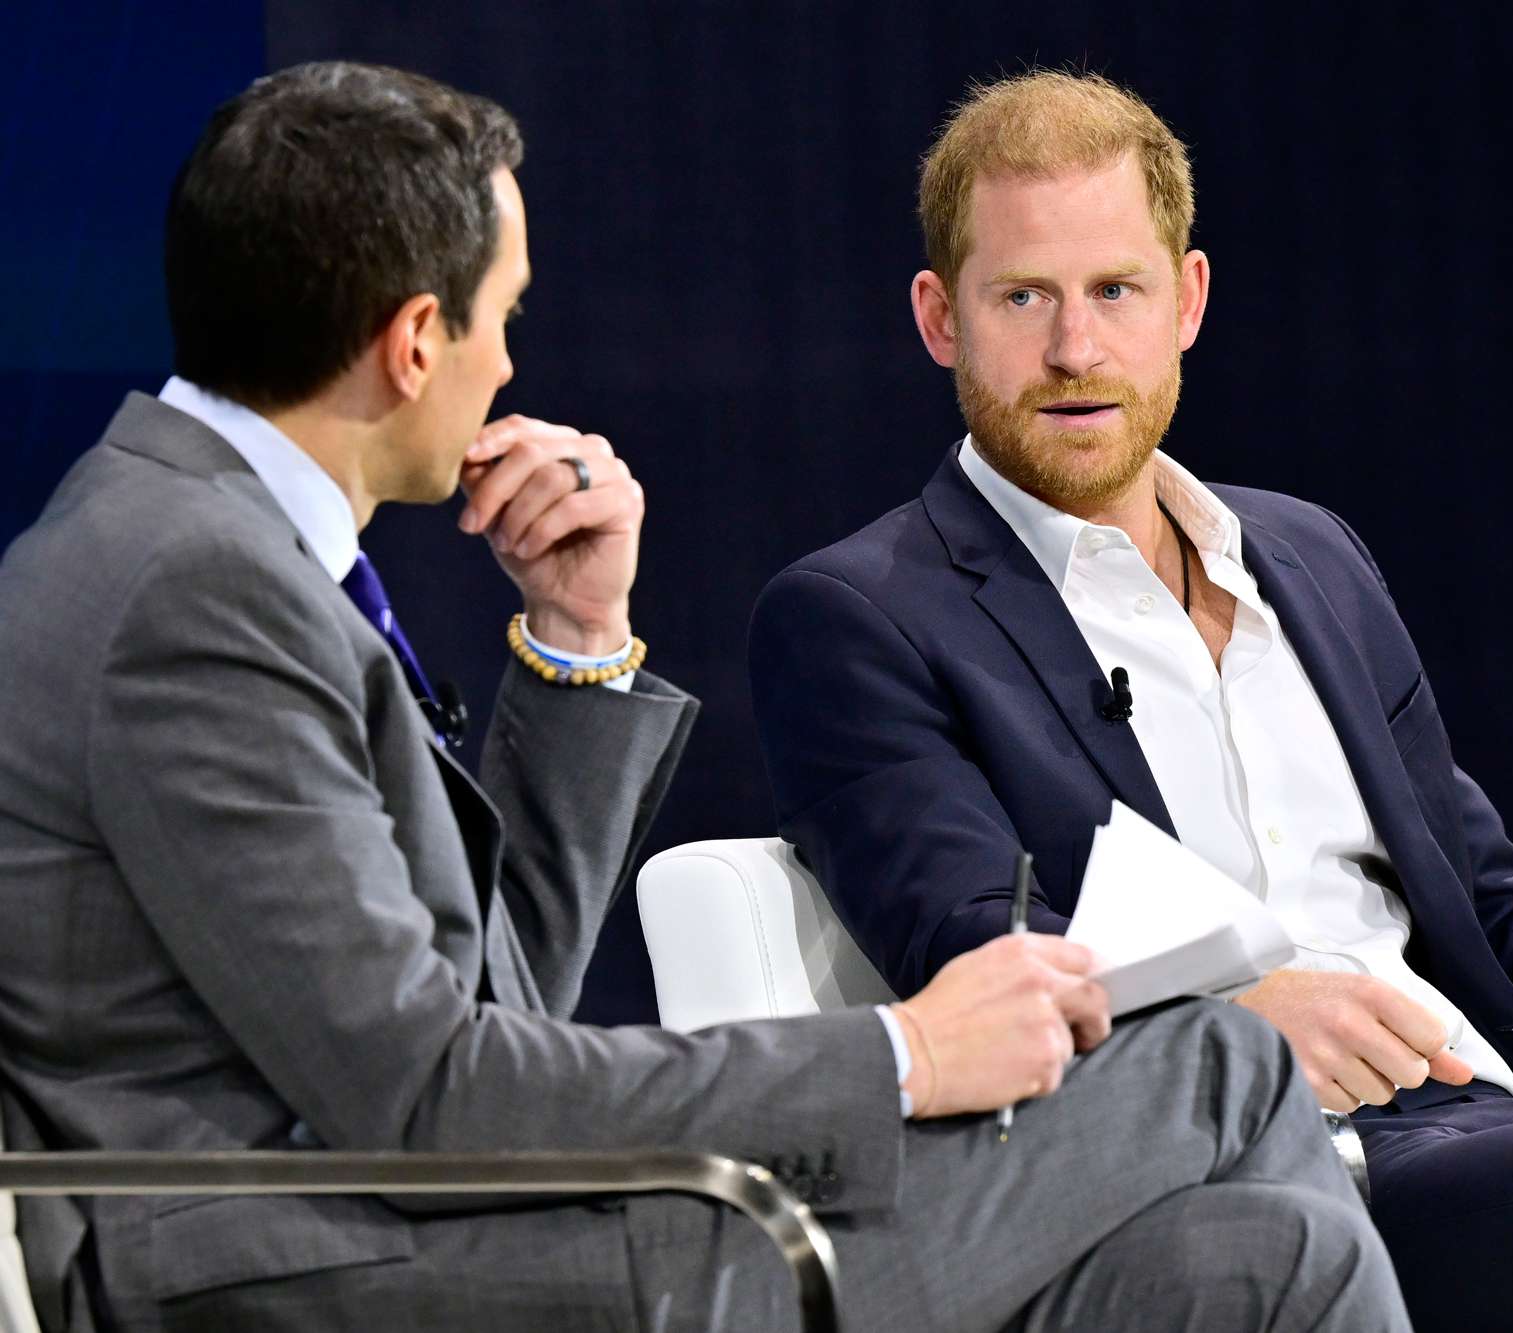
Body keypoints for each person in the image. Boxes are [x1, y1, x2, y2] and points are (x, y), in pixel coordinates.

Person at [0, 62, 1406, 1333]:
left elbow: (492, 1006)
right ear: (418, 339)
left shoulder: (205, 547)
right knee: (1219, 1069)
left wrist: (577, 638)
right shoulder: (193, 593)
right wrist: (902, 1053)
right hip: (295, 1267)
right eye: (508, 317)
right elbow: (426, 1097)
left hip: (399, 1223)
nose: (510, 362)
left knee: (1260, 1252)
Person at [748, 69, 1513, 1330]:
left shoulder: (1307, 557)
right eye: (1024, 297)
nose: (1075, 349)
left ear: (1185, 300)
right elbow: (969, 943)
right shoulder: (861, 613)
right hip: (1268, 1178)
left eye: (1113, 290)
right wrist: (1230, 1020)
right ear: (938, 317)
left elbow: (1488, 896)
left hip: (1507, 1126)